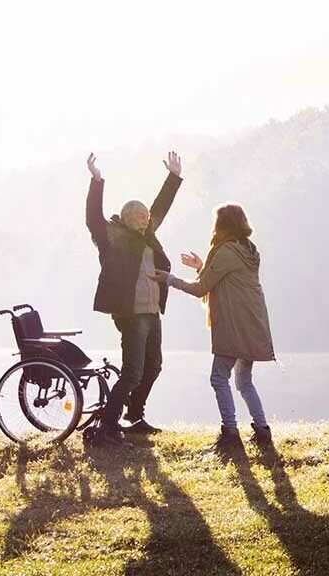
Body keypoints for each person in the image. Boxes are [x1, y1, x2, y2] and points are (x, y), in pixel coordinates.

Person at [81, 151, 183, 433]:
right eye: (139, 215)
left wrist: (173, 177)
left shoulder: (148, 235)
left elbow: (161, 206)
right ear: (125, 218)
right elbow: (92, 218)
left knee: (154, 368)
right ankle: (109, 424)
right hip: (131, 314)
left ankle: (135, 416)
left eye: (146, 215)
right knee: (133, 372)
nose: (145, 218)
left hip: (151, 313)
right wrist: (97, 181)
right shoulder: (112, 236)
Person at [161, 203, 276, 440]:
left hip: (234, 324)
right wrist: (202, 267)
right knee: (244, 380)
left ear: (221, 226)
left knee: (218, 377)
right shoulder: (249, 250)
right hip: (253, 323)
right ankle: (262, 429)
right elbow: (223, 279)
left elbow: (202, 288)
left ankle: (230, 430)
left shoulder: (226, 252)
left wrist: (170, 279)